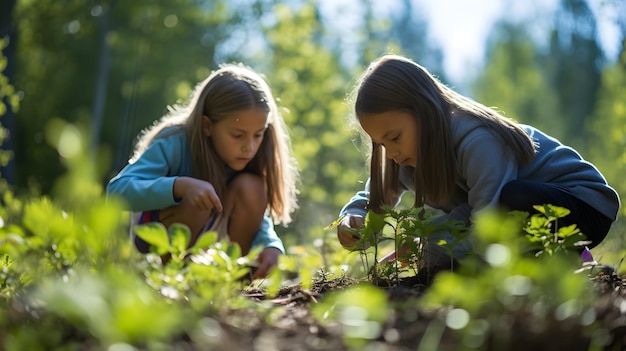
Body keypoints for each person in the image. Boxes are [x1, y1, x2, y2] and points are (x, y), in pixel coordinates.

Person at [337, 54, 620, 278]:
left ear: (424, 111)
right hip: (507, 210)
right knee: (447, 234)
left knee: (513, 198)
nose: (391, 153)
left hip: (583, 204)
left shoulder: (477, 140)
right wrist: (353, 219)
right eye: (381, 144)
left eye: (395, 137)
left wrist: (430, 254)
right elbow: (373, 199)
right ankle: (569, 267)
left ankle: (567, 262)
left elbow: (488, 223)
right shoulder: (405, 156)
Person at [107, 63, 299, 279]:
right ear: (207, 125)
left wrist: (271, 245)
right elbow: (116, 191)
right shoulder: (174, 142)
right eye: (237, 135)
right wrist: (179, 186)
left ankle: (231, 280)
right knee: (199, 200)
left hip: (211, 233)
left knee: (252, 188)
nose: (250, 147)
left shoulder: (245, 156)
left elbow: (258, 215)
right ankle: (174, 278)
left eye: (258, 135)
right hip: (158, 235)